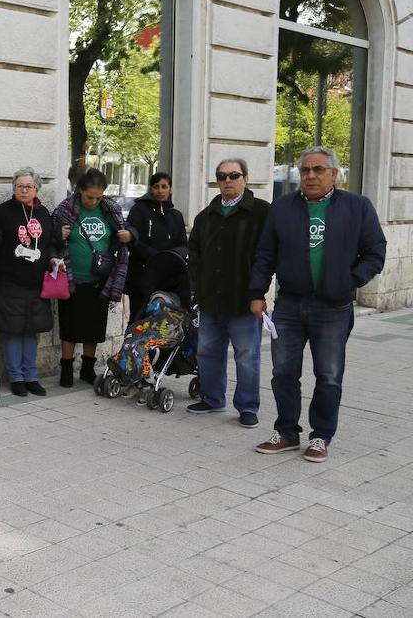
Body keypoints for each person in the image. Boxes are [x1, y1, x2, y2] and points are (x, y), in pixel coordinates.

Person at [250, 146, 385, 463]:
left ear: (334, 173)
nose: (310, 176)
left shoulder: (358, 206)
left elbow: (375, 252)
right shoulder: (282, 208)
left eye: (318, 169)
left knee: (329, 375)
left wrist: (348, 280)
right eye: (305, 170)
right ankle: (286, 433)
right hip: (289, 306)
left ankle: (321, 436)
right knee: (283, 372)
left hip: (333, 308)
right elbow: (265, 254)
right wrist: (257, 293)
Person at [186, 159, 270, 427]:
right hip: (211, 299)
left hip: (245, 300)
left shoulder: (261, 212)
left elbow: (267, 256)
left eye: (234, 175)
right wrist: (198, 286)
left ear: (246, 178)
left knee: (247, 356)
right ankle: (212, 398)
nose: (227, 181)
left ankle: (247, 406)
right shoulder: (206, 216)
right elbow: (194, 254)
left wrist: (259, 292)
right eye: (222, 176)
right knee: (207, 352)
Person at [0, 169, 63, 397]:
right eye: (20, 186)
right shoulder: (3, 212)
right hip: (9, 282)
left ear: (37, 189)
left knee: (31, 332)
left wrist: (54, 259)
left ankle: (31, 377)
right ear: (14, 188)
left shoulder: (43, 213)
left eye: (29, 186)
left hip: (36, 284)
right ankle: (16, 378)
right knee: (12, 331)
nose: (24, 190)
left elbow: (49, 244)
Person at [51, 168, 133, 387]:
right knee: (69, 327)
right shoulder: (65, 210)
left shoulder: (110, 209)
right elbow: (50, 239)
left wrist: (129, 235)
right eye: (89, 197)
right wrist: (58, 235)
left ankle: (88, 369)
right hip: (72, 278)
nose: (94, 201)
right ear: (80, 190)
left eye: (98, 197)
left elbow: (123, 233)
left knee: (94, 328)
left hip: (100, 280)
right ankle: (66, 369)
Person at [124, 172, 187, 317]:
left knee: (164, 321)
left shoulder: (176, 215)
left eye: (164, 187)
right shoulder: (139, 210)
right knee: (138, 320)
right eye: (156, 186)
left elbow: (184, 244)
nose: (160, 190)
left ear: (170, 189)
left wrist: (172, 257)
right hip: (142, 278)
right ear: (150, 189)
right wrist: (158, 257)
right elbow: (134, 242)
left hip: (168, 279)